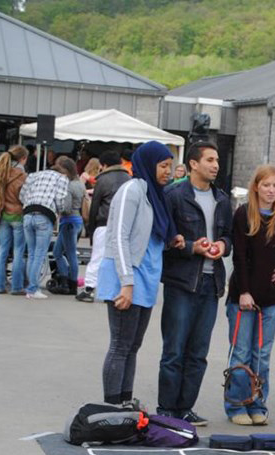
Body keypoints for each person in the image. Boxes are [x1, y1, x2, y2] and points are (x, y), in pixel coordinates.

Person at [96, 142, 178, 406]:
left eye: (171, 166)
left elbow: (151, 235)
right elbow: (118, 236)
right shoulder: (131, 189)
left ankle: (124, 403)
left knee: (132, 346)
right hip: (127, 277)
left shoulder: (155, 193)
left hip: (146, 278)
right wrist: (126, 283)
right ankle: (111, 407)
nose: (168, 171)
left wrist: (173, 238)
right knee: (120, 345)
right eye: (163, 166)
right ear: (148, 163)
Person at [158, 141, 233, 425]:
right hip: (181, 283)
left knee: (198, 353)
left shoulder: (222, 199)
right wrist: (192, 247)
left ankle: (185, 408)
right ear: (193, 163)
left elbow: (229, 236)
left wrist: (223, 245)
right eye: (210, 160)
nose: (215, 165)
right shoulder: (174, 195)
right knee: (174, 350)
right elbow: (164, 239)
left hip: (211, 283)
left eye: (217, 160)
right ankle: (166, 409)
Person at [225, 164, 275, 425]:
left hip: (270, 298)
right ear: (256, 186)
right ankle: (236, 405)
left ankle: (257, 403)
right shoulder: (244, 214)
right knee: (241, 352)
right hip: (243, 296)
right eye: (266, 185)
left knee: (262, 354)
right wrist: (244, 292)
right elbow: (240, 256)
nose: (271, 190)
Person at [78, 151, 131, 302]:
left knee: (98, 257)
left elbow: (95, 206)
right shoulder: (129, 178)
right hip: (123, 225)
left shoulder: (103, 179)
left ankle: (89, 289)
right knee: (117, 259)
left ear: (104, 165)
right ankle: (113, 292)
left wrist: (91, 227)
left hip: (104, 223)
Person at [19, 157, 70, 299]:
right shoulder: (61, 178)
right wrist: (58, 211)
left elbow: (22, 195)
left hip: (28, 214)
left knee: (31, 253)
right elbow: (60, 199)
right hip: (44, 214)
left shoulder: (33, 176)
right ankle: (33, 289)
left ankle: (30, 287)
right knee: (40, 254)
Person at [0, 145, 28, 294]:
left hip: (3, 215)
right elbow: (24, 198)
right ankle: (16, 287)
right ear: (22, 159)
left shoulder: (0, 173)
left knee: (2, 251)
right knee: (18, 251)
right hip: (18, 215)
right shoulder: (22, 176)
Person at [48, 157, 85, 295]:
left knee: (68, 254)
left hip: (68, 221)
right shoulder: (80, 183)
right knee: (59, 252)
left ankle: (69, 283)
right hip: (76, 221)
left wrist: (57, 207)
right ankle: (68, 281)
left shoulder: (69, 186)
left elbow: (66, 208)